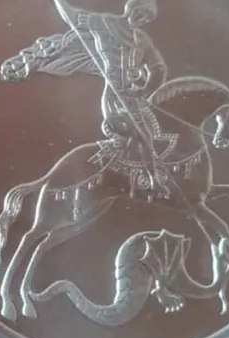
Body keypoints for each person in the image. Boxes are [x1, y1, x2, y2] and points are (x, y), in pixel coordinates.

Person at [54, 0, 172, 198]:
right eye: (142, 14)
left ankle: (146, 178)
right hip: (114, 97)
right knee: (140, 133)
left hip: (132, 97)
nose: (143, 20)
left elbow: (158, 68)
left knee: (146, 135)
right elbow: (72, 15)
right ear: (132, 9)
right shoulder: (104, 23)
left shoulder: (142, 39)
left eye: (147, 18)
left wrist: (144, 88)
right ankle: (148, 179)